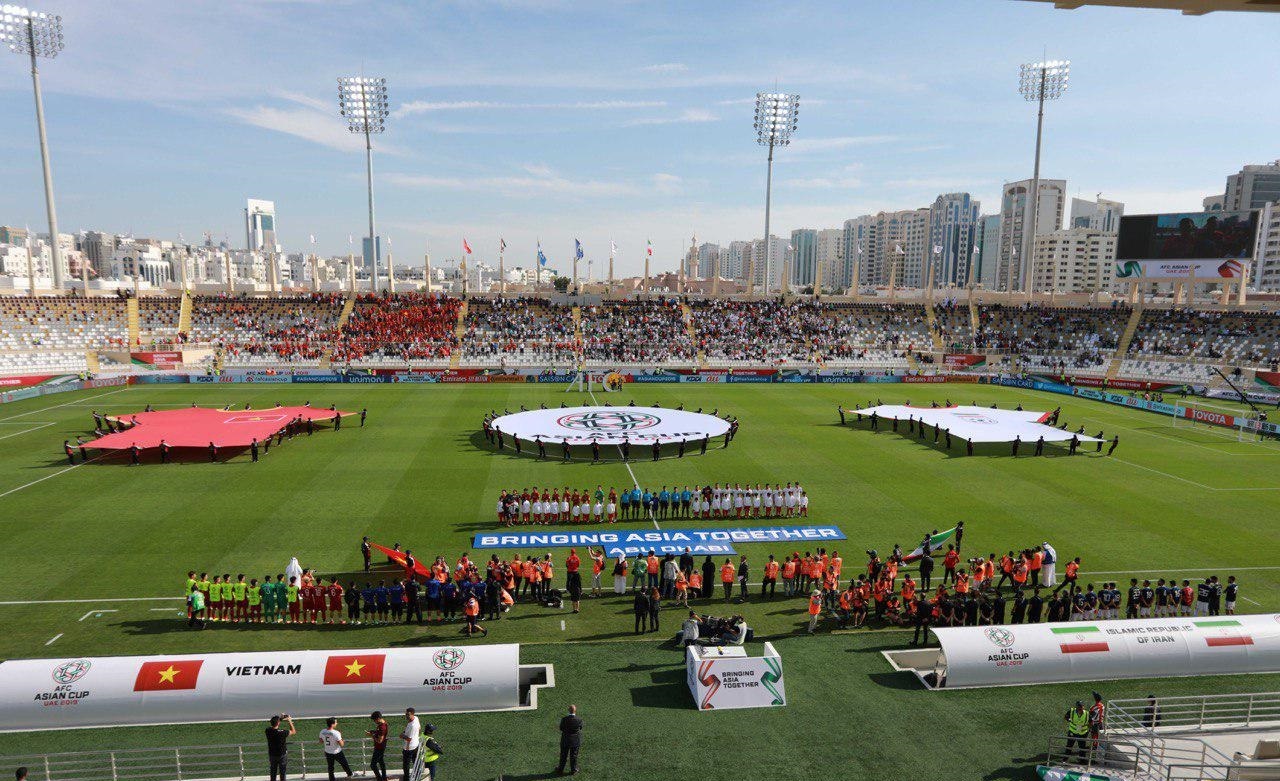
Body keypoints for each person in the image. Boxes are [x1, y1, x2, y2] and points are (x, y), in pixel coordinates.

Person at [265, 714, 295, 781]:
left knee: (273, 772)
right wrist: (289, 721)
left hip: (272, 755)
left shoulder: (268, 731)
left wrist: (280, 719)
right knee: (282, 772)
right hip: (282, 755)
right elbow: (293, 731)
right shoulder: (282, 732)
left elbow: (274, 724)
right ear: (278, 723)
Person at [556, 705, 583, 776]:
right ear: (575, 710)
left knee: (563, 755)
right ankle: (573, 770)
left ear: (568, 710)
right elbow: (580, 728)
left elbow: (561, 728)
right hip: (575, 740)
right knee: (574, 756)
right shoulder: (579, 719)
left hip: (565, 739)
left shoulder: (564, 719)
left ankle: (560, 769)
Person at [400, 708, 421, 781]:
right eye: (406, 714)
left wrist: (402, 735)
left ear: (412, 714)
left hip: (409, 748)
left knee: (406, 764)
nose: (406, 716)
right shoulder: (416, 718)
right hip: (416, 745)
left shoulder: (412, 726)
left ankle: (406, 778)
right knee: (415, 761)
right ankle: (417, 775)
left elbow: (409, 739)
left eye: (408, 715)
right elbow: (419, 728)